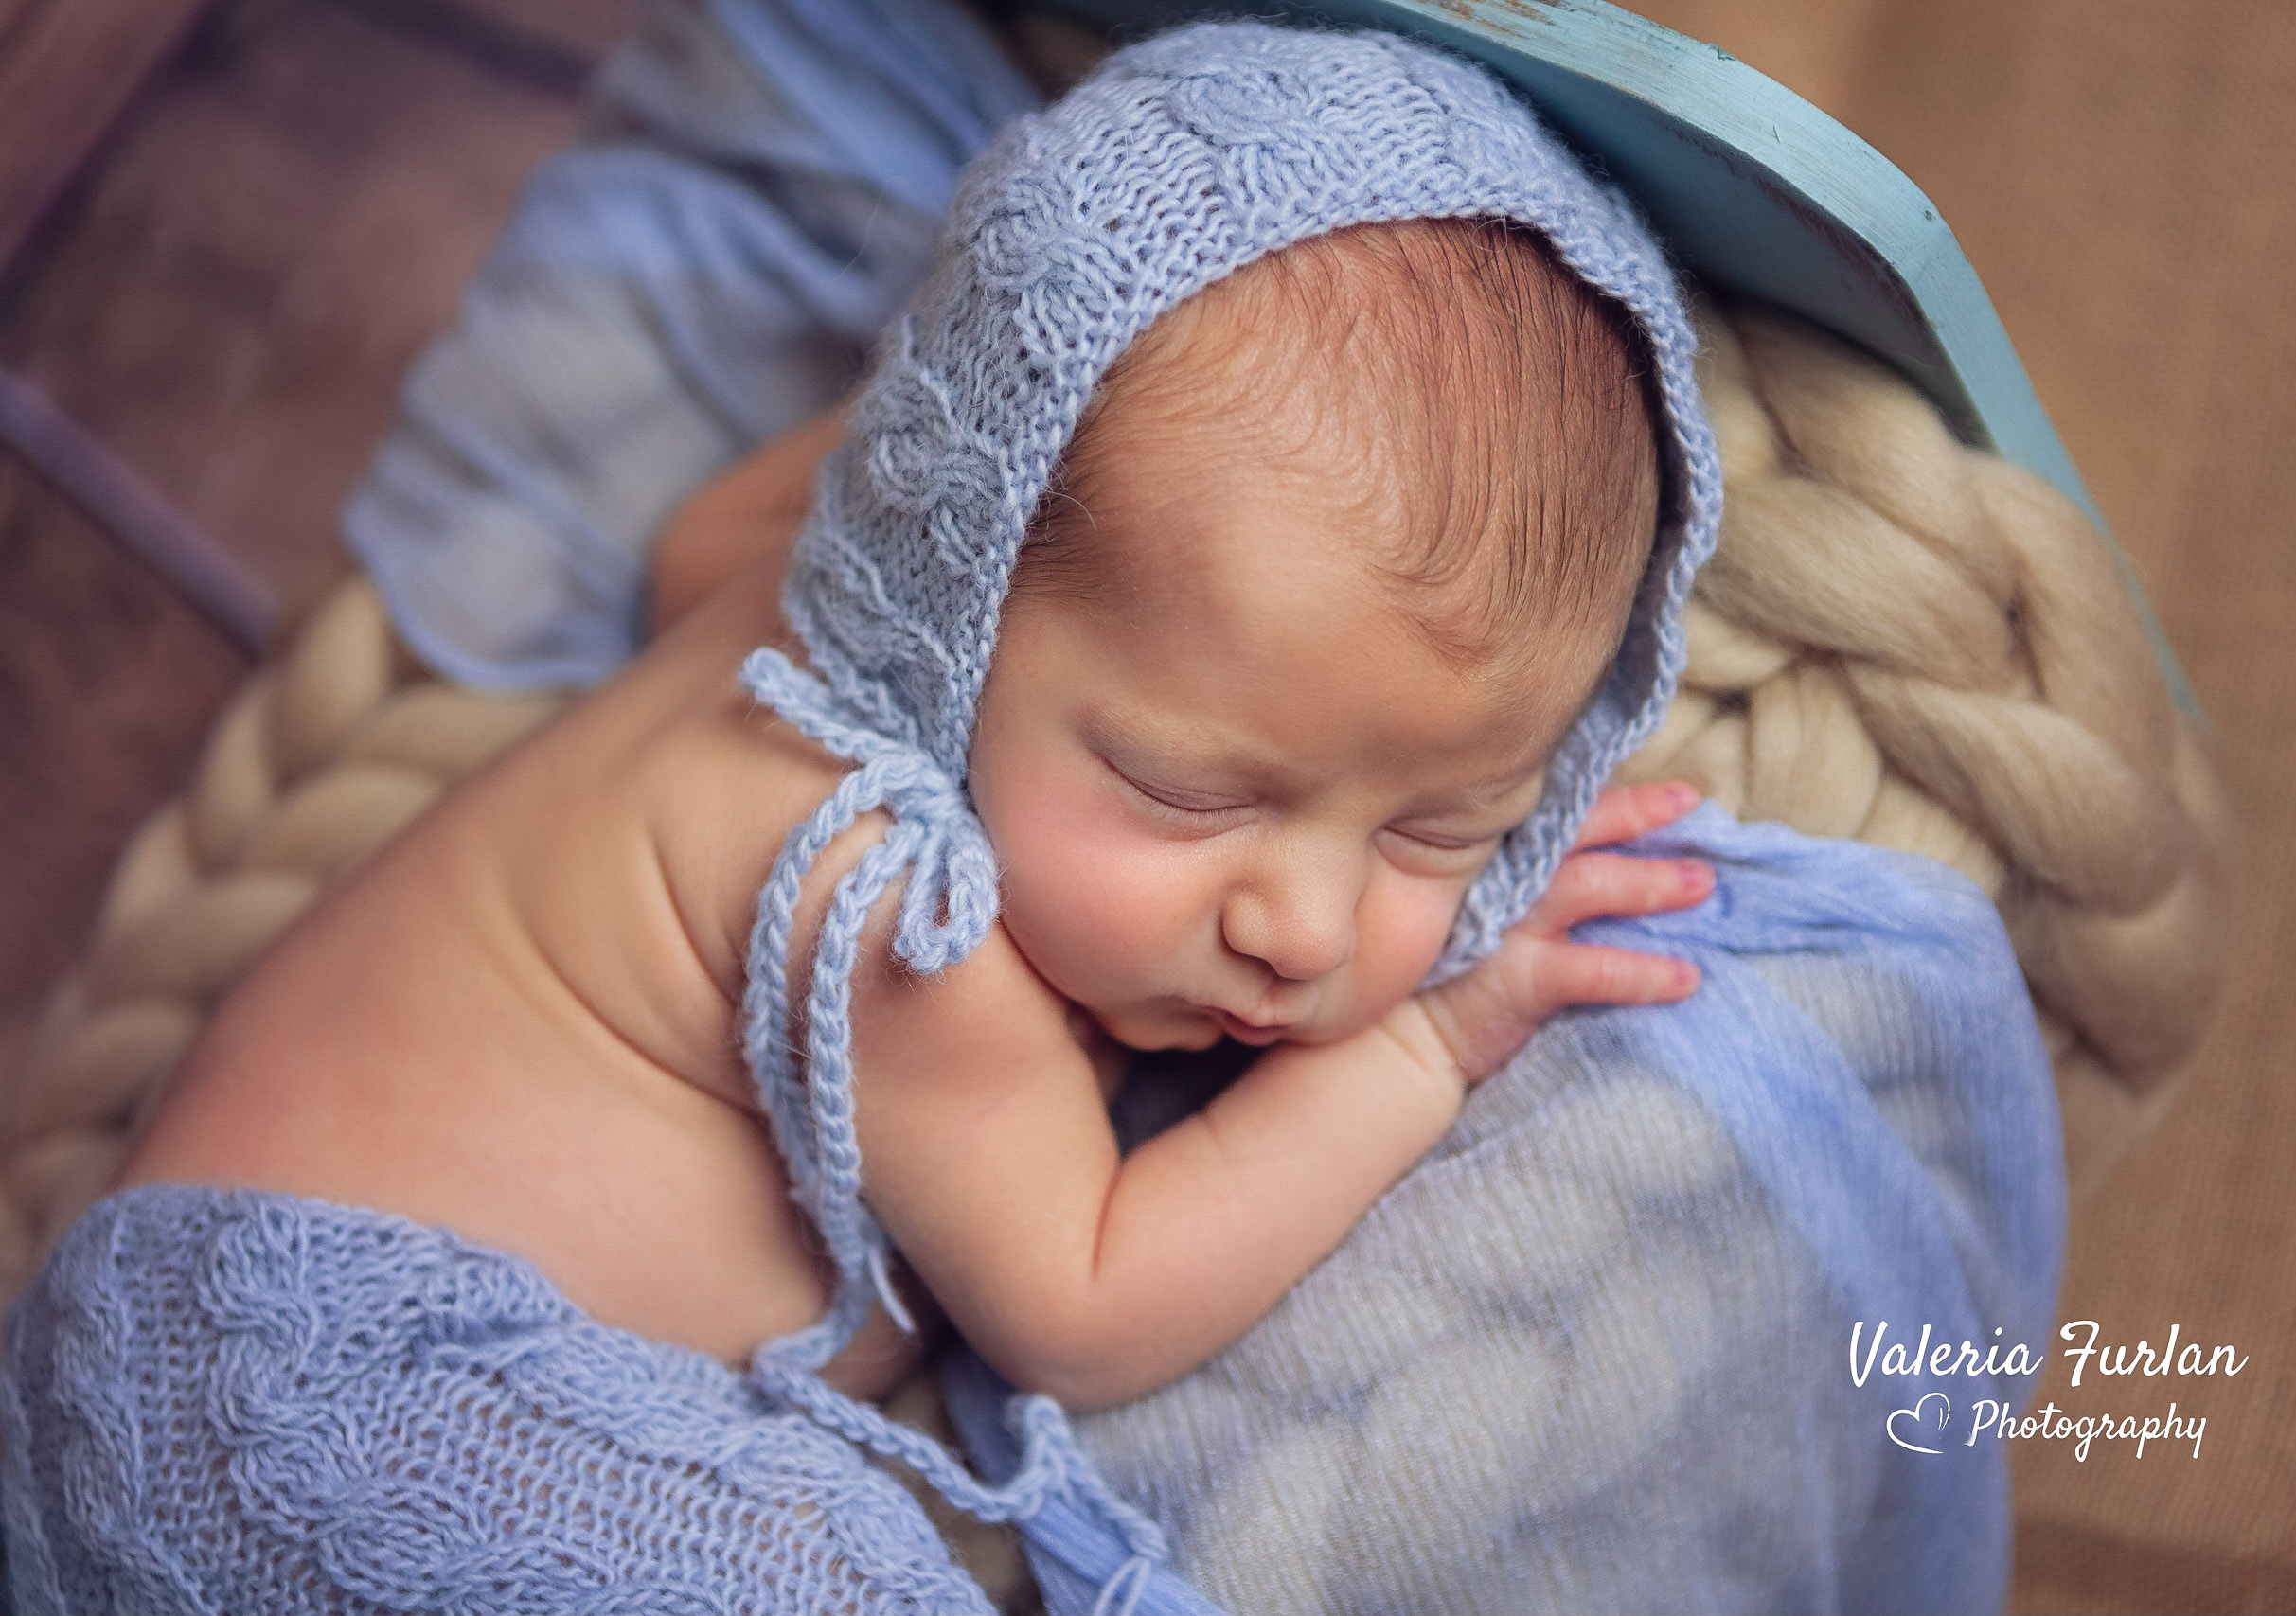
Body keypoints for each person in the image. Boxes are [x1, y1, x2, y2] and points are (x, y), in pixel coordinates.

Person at [1, 22, 1726, 1612]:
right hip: (342, 1414)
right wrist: (1422, 1053)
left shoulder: (802, 585)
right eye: (1188, 791)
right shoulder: (890, 904)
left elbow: (704, 540)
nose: (1306, 925)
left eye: (1446, 833)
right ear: (958, 585)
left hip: (178, 1342)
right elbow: (1090, 1306)